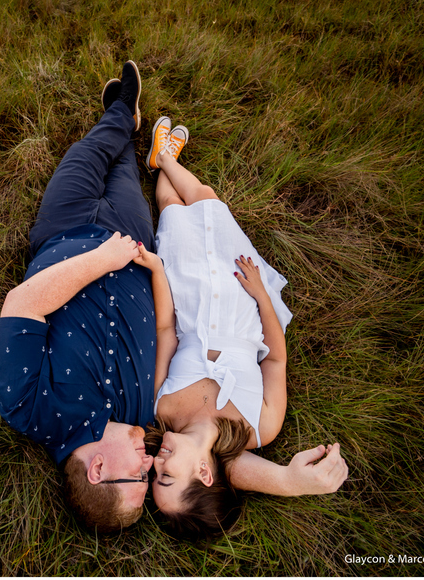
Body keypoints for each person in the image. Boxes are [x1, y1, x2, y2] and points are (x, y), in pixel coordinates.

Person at [141, 117, 349, 540]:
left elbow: (167, 332)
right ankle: (164, 155)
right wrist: (262, 297)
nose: (155, 465)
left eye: (153, 477)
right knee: (209, 201)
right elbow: (275, 356)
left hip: (189, 294)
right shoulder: (260, 426)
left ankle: (161, 162)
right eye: (165, 477)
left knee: (173, 211)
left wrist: (159, 271)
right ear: (204, 472)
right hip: (242, 298)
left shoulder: (161, 410)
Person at [0, 61, 170, 533]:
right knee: (126, 171)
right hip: (134, 238)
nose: (149, 465)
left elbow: (21, 306)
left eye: (138, 477)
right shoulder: (144, 417)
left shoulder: (29, 409)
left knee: (88, 154)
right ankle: (126, 124)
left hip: (64, 230)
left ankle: (119, 112)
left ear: (98, 472)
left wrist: (101, 261)